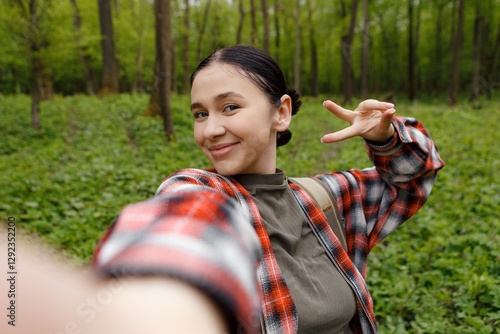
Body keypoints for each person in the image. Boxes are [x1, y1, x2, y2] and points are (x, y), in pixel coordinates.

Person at [92, 45, 445, 334]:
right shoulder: (197, 190)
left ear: (281, 113)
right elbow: (179, 231)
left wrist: (385, 138)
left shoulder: (324, 198)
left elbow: (414, 176)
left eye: (229, 107)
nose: (210, 130)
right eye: (200, 114)